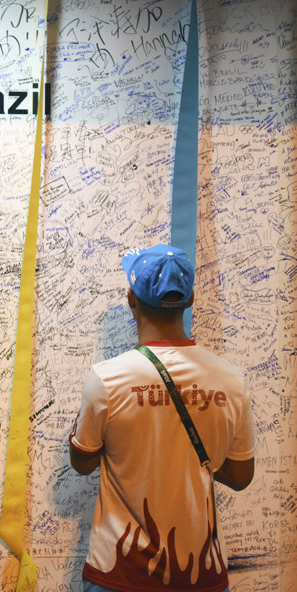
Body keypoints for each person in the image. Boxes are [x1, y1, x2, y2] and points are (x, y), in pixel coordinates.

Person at [69, 244, 256, 592]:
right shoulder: (231, 379)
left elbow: (82, 463)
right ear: (190, 299)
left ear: (131, 299)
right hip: (201, 576)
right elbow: (241, 476)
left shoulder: (107, 378)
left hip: (119, 574)